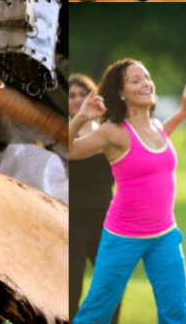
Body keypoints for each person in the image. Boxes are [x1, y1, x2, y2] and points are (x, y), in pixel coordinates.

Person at [69, 59, 186, 324]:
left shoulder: (157, 127)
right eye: (136, 80)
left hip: (165, 235)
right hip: (123, 236)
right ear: (121, 92)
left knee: (177, 314)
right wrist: (81, 117)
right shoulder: (114, 132)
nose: (146, 83)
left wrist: (184, 111)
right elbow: (70, 149)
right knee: (96, 313)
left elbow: (159, 140)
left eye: (147, 77)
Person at [67, 73, 121, 324]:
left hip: (105, 219)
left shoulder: (107, 133)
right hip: (72, 221)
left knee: (112, 284)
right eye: (71, 95)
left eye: (83, 94)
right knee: (71, 288)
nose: (77, 99)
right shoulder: (63, 133)